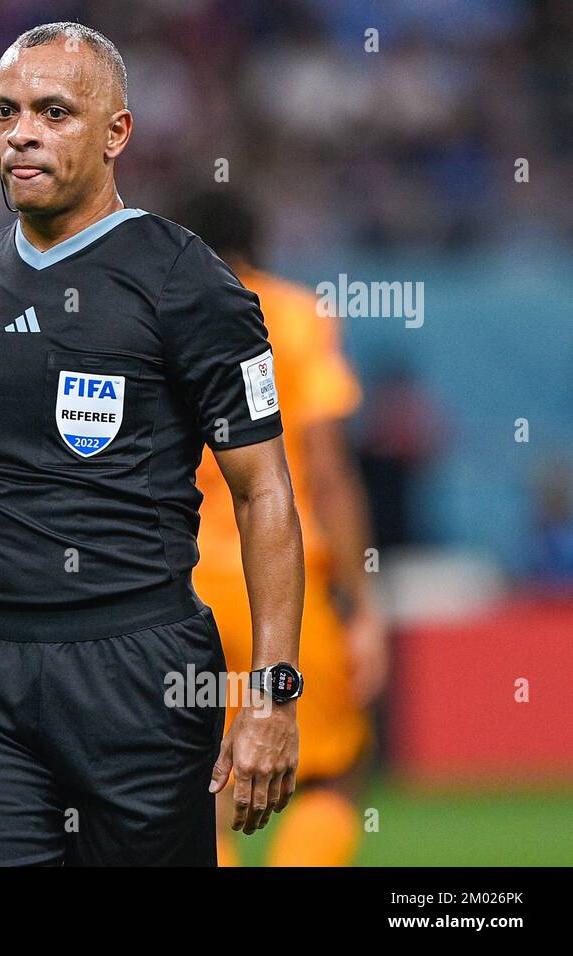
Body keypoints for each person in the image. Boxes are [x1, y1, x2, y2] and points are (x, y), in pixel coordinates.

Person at [0, 22, 306, 866]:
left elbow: (266, 493)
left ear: (117, 133)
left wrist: (271, 695)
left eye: (54, 111)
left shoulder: (187, 283)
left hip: (140, 675)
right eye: (5, 111)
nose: (22, 133)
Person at [181, 189, 388, 866]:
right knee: (332, 773)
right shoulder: (297, 317)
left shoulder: (161, 318)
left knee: (201, 786)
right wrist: (361, 603)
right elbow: (327, 473)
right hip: (282, 580)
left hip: (185, 587)